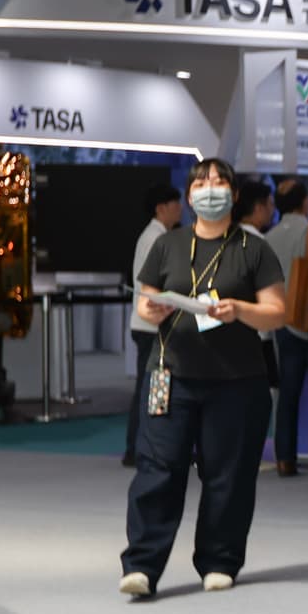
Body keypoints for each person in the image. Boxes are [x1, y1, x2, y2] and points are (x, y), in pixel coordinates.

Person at [121, 159, 285, 598]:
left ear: (233, 193)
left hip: (237, 380)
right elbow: (145, 303)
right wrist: (153, 309)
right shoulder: (168, 244)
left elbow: (277, 311)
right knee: (157, 469)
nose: (209, 188)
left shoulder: (253, 248)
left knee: (228, 474)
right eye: (200, 182)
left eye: (218, 181)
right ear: (189, 194)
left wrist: (240, 310)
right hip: (169, 375)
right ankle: (142, 565)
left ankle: (219, 560)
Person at [262, 178, 308, 478]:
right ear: (305, 202)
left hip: (283, 322)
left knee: (287, 394)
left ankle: (285, 459)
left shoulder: (267, 239)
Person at [124, 182, 182, 468]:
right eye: (175, 204)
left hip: (151, 324)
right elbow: (154, 284)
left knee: (153, 387)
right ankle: (139, 448)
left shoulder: (157, 236)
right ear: (161, 208)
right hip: (151, 326)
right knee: (151, 388)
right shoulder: (155, 239)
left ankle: (144, 447)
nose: (180, 209)